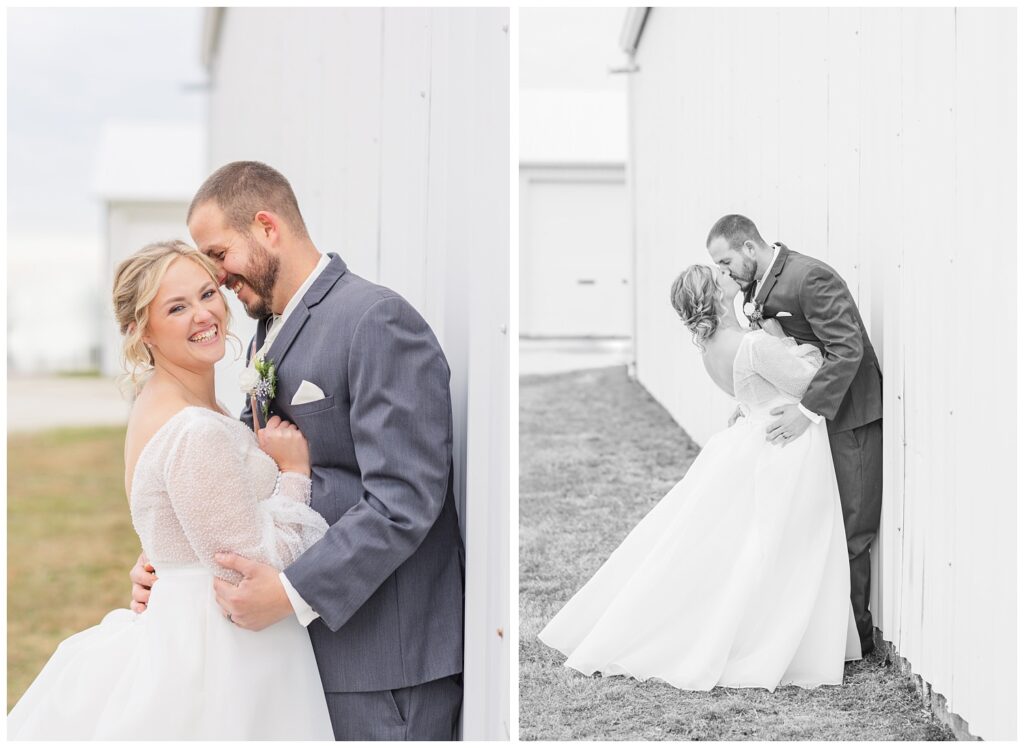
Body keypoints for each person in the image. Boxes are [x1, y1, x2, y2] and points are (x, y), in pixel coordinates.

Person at [130, 162, 464, 740]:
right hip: (311, 656)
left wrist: (291, 592)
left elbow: (405, 499)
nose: (218, 279)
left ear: (265, 226)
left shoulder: (375, 319)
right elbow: (238, 473)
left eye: (219, 256)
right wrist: (175, 560)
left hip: (384, 661)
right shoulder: (268, 332)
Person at [7, 242, 335, 739]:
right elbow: (249, 566)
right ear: (140, 332)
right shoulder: (191, 429)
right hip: (221, 652)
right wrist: (294, 473)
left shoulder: (184, 406)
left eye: (207, 294)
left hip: (207, 628)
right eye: (176, 308)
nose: (203, 314)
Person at [538, 264, 860, 691]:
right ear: (714, 294)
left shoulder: (710, 345)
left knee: (754, 545)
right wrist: (788, 342)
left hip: (751, 433)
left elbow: (749, 392)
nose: (727, 277)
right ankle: (772, 636)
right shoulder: (751, 344)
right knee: (790, 544)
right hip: (783, 444)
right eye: (718, 276)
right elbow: (808, 381)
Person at [706, 214, 883, 656]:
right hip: (810, 421)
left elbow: (847, 349)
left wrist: (807, 412)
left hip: (848, 414)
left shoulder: (810, 276)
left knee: (850, 527)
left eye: (726, 261)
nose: (724, 273)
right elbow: (777, 356)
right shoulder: (755, 286)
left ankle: (853, 640)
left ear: (750, 247)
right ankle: (815, 634)